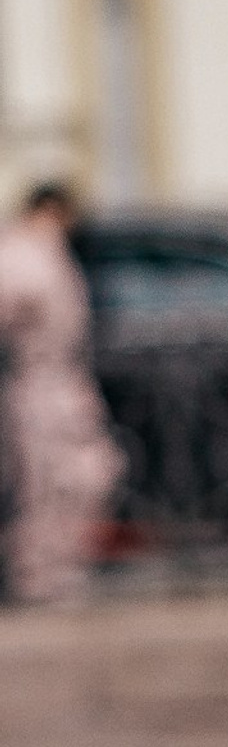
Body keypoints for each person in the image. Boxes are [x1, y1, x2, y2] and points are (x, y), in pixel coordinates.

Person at [0, 182, 121, 604]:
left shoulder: (44, 252)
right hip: (39, 383)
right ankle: (41, 578)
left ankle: (59, 571)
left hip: (63, 380)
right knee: (47, 483)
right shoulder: (21, 255)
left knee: (87, 474)